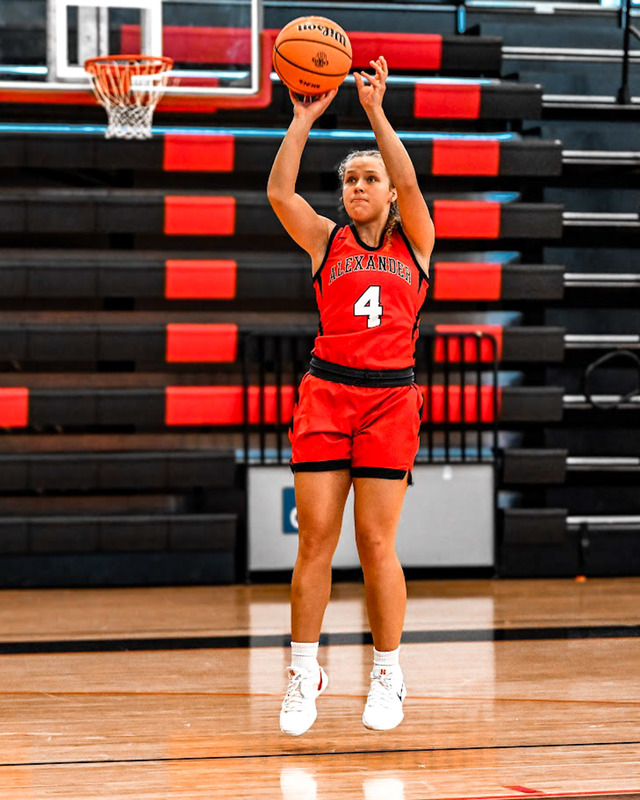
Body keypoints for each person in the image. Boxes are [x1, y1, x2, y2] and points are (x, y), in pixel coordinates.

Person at [267, 56, 435, 737]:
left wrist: (373, 111)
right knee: (316, 539)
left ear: (390, 192)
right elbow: (281, 196)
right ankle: (302, 670)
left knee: (375, 541)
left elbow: (412, 176)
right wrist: (303, 121)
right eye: (351, 180)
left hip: (390, 401)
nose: (359, 186)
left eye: (370, 179)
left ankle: (389, 673)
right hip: (328, 394)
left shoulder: (417, 239)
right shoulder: (326, 241)